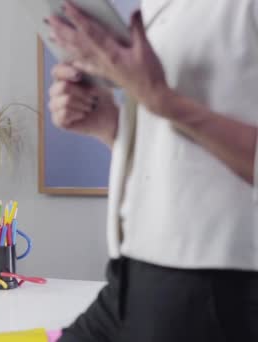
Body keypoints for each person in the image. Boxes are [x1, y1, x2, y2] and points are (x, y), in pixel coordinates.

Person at [46, 1, 258, 341]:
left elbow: (163, 101)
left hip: (214, 290)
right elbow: (183, 153)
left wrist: (163, 100)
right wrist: (111, 127)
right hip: (131, 276)